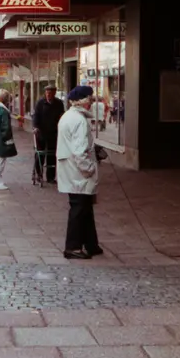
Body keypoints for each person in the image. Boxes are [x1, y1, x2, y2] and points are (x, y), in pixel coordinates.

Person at [57, 86, 101, 259]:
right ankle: (73, 247)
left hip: (71, 169)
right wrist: (88, 169)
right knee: (79, 208)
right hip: (78, 172)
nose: (91, 102)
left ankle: (91, 243)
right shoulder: (79, 120)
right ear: (82, 100)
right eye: (89, 99)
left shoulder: (68, 116)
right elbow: (80, 150)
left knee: (85, 207)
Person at [32, 85, 64, 183]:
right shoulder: (40, 103)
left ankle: (50, 177)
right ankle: (39, 174)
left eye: (50, 93)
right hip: (41, 132)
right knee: (40, 155)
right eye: (47, 93)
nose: (48, 95)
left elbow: (61, 115)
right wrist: (35, 127)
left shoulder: (59, 103)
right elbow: (35, 116)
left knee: (52, 155)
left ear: (54, 93)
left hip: (53, 132)